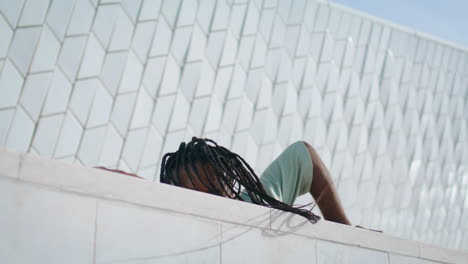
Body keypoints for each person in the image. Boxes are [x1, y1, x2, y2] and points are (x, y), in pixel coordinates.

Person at [159, 137, 351, 225]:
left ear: (229, 187)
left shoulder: (256, 205)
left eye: (213, 193)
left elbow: (302, 154)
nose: (207, 204)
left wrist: (344, 229)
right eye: (193, 197)